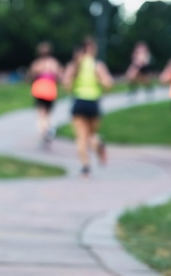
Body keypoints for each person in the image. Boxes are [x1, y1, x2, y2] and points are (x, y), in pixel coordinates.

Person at [62, 37, 113, 177]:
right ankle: (98, 144)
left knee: (81, 137)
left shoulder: (75, 65)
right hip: (94, 103)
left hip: (79, 101)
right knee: (92, 135)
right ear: (93, 49)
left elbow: (66, 85)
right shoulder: (97, 65)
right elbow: (108, 84)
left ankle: (86, 167)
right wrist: (100, 84)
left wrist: (73, 84)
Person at [27, 41, 64, 148]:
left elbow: (31, 76)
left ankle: (44, 132)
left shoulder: (37, 63)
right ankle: (48, 129)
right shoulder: (54, 63)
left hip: (39, 89)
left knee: (41, 114)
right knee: (47, 114)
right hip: (51, 89)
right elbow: (59, 76)